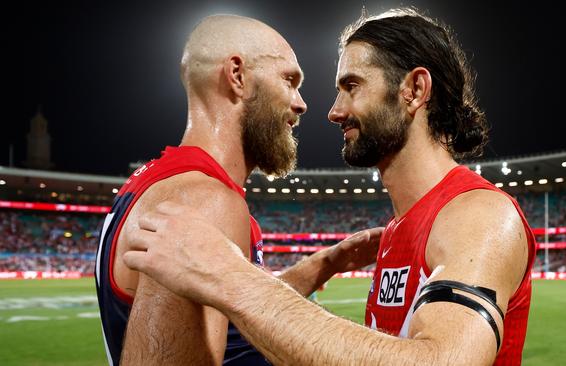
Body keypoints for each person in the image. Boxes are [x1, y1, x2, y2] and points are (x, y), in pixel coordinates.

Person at [123, 8, 536, 365]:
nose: (333, 112)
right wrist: (322, 265)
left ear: (414, 90)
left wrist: (229, 275)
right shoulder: (396, 230)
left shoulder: (479, 214)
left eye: (351, 86)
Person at [94, 14, 382, 366]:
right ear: (237, 76)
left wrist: (328, 263)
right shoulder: (206, 200)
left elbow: (235, 314)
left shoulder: (161, 181)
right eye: (289, 81)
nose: (301, 103)